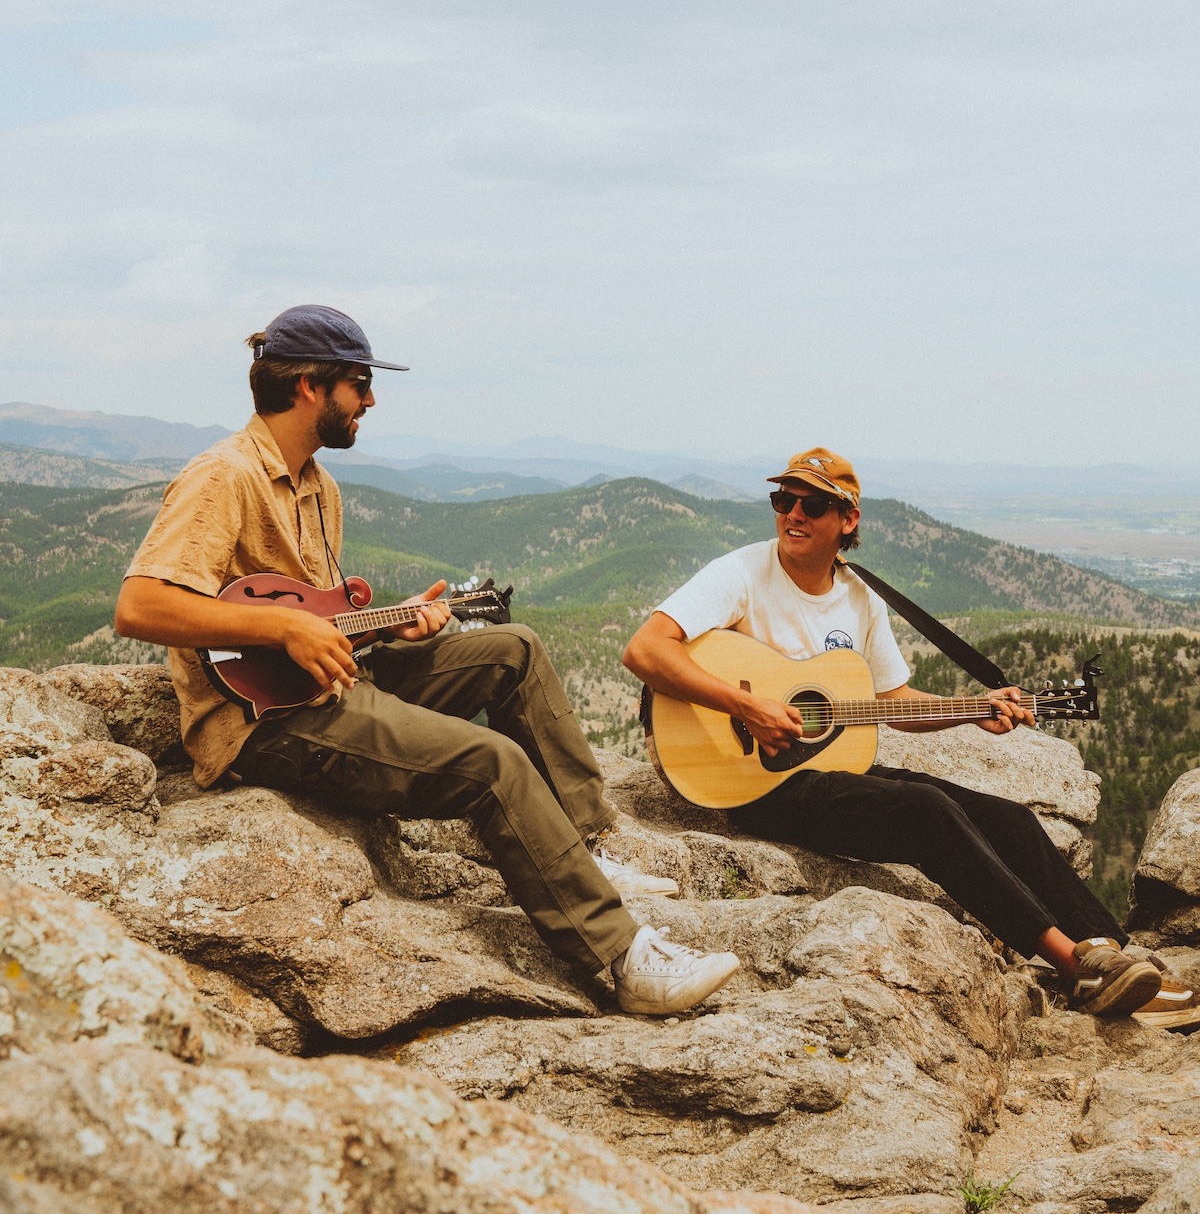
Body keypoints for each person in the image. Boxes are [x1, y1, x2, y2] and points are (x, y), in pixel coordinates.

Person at [114, 304, 740, 1017]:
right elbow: (140, 606)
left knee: (514, 649)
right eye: (359, 383)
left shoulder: (319, 486)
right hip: (269, 721)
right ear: (310, 387)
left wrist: (388, 626)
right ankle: (626, 960)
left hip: (338, 679)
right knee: (491, 763)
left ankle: (579, 847)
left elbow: (318, 622)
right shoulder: (225, 476)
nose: (371, 400)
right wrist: (283, 629)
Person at [623, 446, 1198, 1025]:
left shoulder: (860, 597)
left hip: (832, 772)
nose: (792, 514)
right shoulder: (741, 573)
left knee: (1010, 819)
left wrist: (971, 710)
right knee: (926, 811)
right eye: (783, 500)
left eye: (812, 505)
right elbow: (644, 650)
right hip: (754, 783)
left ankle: (1114, 958)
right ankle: (1075, 968)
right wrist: (746, 705)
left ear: (847, 520)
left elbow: (893, 703)